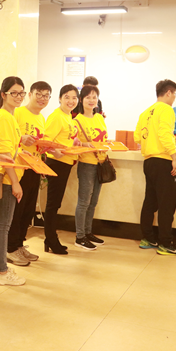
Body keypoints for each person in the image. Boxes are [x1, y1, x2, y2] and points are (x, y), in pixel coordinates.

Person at [134, 79, 176, 256]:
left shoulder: (146, 112)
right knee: (167, 204)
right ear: (169, 93)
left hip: (148, 161)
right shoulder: (167, 109)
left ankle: (148, 238)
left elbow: (137, 137)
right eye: (175, 94)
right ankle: (165, 243)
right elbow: (165, 134)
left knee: (150, 201)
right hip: (163, 161)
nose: (175, 98)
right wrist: (174, 157)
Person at [6, 81, 52, 266]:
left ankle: (19, 245)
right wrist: (21, 138)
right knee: (17, 211)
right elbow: (7, 139)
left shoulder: (41, 118)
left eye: (46, 96)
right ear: (30, 94)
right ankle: (10, 248)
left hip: (34, 168)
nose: (42, 99)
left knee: (27, 211)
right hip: (19, 170)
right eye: (38, 94)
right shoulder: (17, 113)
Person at [0, 76, 27, 285]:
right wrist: (15, 182)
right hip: (7, 178)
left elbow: (11, 149)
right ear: (3, 94)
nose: (19, 97)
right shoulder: (4, 117)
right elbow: (4, 154)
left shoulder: (9, 116)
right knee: (3, 224)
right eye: (14, 93)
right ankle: (2, 272)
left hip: (8, 176)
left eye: (21, 93)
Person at [44, 84, 80, 254]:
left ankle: (49, 239)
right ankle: (51, 239)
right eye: (67, 97)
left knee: (56, 203)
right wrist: (54, 152)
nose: (71, 101)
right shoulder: (56, 116)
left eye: (74, 98)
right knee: (53, 203)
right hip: (56, 163)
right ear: (59, 98)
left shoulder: (68, 117)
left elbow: (64, 140)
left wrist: (76, 144)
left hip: (65, 163)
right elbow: (46, 141)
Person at [73, 84, 107, 250]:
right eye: (88, 97)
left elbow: (104, 138)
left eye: (95, 97)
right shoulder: (77, 120)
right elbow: (74, 143)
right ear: (81, 100)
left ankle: (88, 232)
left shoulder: (100, 118)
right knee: (84, 201)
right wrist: (87, 144)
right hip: (86, 163)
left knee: (93, 201)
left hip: (100, 163)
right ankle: (80, 236)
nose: (92, 100)